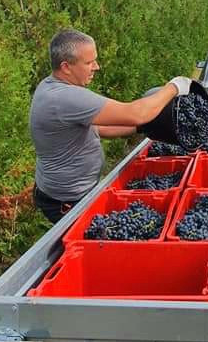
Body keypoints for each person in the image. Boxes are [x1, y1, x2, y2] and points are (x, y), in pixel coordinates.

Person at [29, 28, 192, 224]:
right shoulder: (65, 97)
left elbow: (99, 129)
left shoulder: (51, 87)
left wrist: (143, 128)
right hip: (67, 202)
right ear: (66, 67)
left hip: (66, 192)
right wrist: (175, 87)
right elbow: (136, 113)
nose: (96, 67)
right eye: (89, 62)